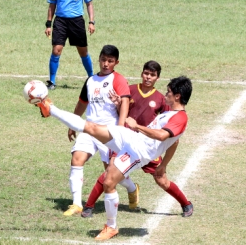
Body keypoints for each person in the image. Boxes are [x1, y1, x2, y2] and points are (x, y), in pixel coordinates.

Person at [34, 75, 192, 240]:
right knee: (92, 127)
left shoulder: (180, 117)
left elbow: (162, 136)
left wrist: (137, 126)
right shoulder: (170, 113)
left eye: (168, 92)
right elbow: (173, 142)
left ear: (177, 96)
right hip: (132, 138)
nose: (166, 94)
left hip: (139, 152)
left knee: (109, 182)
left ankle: (111, 227)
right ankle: (50, 109)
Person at [81, 60, 193, 219]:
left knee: (161, 178)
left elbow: (170, 137)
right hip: (125, 141)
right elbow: (122, 111)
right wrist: (118, 104)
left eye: (152, 75)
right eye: (146, 73)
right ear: (142, 73)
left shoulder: (163, 101)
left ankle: (186, 203)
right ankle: (89, 207)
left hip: (147, 146)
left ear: (157, 78)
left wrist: (164, 164)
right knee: (109, 172)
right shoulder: (130, 89)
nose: (148, 77)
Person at [62, 44, 140, 216]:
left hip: (109, 131)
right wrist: (72, 123)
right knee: (76, 159)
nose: (106, 64)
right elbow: (82, 103)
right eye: (103, 60)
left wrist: (120, 129)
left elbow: (125, 103)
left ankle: (133, 188)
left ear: (116, 62)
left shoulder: (118, 79)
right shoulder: (90, 81)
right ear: (99, 59)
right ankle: (76, 204)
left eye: (110, 61)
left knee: (111, 171)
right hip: (89, 128)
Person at [44, 0, 95, 90]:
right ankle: (52, 81)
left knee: (83, 52)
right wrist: (48, 24)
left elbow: (89, 3)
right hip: (60, 21)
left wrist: (91, 22)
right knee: (56, 50)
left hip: (77, 22)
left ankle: (92, 78)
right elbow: (52, 5)